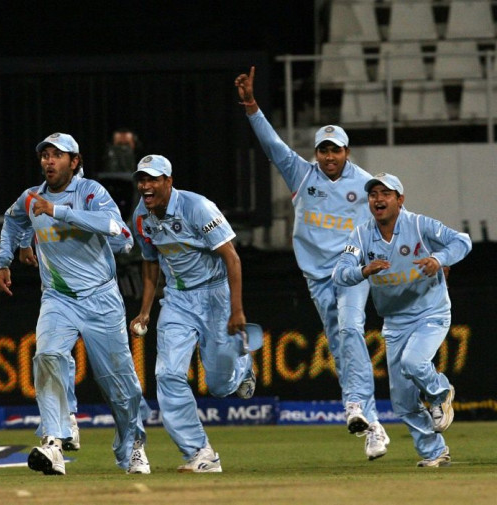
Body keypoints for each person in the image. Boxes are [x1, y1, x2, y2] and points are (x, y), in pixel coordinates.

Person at [234, 65, 390, 459]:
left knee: (352, 331)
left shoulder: (368, 184)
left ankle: (354, 407)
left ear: (346, 152)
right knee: (340, 346)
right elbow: (273, 147)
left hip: (352, 272)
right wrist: (252, 106)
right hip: (318, 278)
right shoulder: (303, 175)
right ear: (316, 152)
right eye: (323, 150)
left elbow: (392, 218)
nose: (329, 156)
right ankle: (373, 426)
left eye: (335, 150)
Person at [0, 132, 150, 475]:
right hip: (57, 297)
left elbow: (116, 228)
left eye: (57, 155)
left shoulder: (91, 192)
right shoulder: (32, 197)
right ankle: (55, 442)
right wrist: (7, 257)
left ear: (74, 162)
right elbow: (14, 219)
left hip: (101, 298)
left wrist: (59, 212)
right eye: (45, 155)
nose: (49, 161)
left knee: (120, 385)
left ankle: (133, 447)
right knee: (47, 355)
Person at [333, 173, 471, 467]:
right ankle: (435, 453)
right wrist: (363, 271)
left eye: (386, 193)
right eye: (373, 194)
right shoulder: (361, 235)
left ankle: (441, 392)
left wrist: (440, 259)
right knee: (403, 403)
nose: (378, 199)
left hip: (430, 313)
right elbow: (339, 272)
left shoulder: (420, 225)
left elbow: (463, 241)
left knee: (413, 363)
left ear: (400, 199)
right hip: (395, 322)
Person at [129, 154, 254, 473]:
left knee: (218, 386)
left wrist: (236, 310)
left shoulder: (198, 208)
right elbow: (150, 262)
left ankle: (242, 364)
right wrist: (144, 312)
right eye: (142, 179)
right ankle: (201, 453)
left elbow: (232, 259)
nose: (146, 185)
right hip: (177, 300)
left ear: (169, 182)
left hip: (215, 296)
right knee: (167, 374)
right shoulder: (141, 217)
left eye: (153, 179)